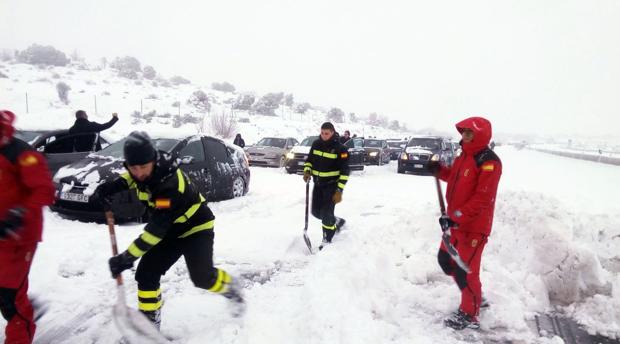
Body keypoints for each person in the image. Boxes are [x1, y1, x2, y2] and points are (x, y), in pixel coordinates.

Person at [97, 131, 245, 330]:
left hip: (195, 229)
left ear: (153, 161)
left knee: (202, 277)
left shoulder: (169, 185)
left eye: (143, 167)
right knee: (146, 274)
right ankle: (149, 323)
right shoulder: (146, 170)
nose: (139, 172)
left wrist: (127, 257)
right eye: (133, 167)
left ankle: (230, 288)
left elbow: (155, 231)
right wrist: (112, 187)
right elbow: (135, 179)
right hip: (171, 230)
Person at [427, 116, 502, 330]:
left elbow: (482, 198)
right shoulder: (464, 156)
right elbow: (453, 177)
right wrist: (439, 170)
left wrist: (456, 216)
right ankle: (474, 293)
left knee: (465, 271)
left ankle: (470, 313)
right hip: (455, 223)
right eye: (464, 132)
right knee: (445, 260)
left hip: (474, 227)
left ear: (480, 134)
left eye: (470, 132)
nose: (465, 136)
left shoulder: (489, 161)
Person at [0, 109, 55, 344]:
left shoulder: (22, 153)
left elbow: (45, 189)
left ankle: (21, 330)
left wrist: (18, 213)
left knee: (10, 296)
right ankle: (27, 307)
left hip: (19, 236)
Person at [303, 122, 350, 249]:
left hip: (332, 186)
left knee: (326, 214)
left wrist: (339, 190)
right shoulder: (316, 144)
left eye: (327, 133)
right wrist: (307, 170)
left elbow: (345, 172)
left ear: (332, 132)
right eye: (322, 133)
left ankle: (327, 239)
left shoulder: (341, 149)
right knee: (316, 212)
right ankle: (337, 221)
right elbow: (310, 161)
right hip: (318, 184)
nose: (324, 136)